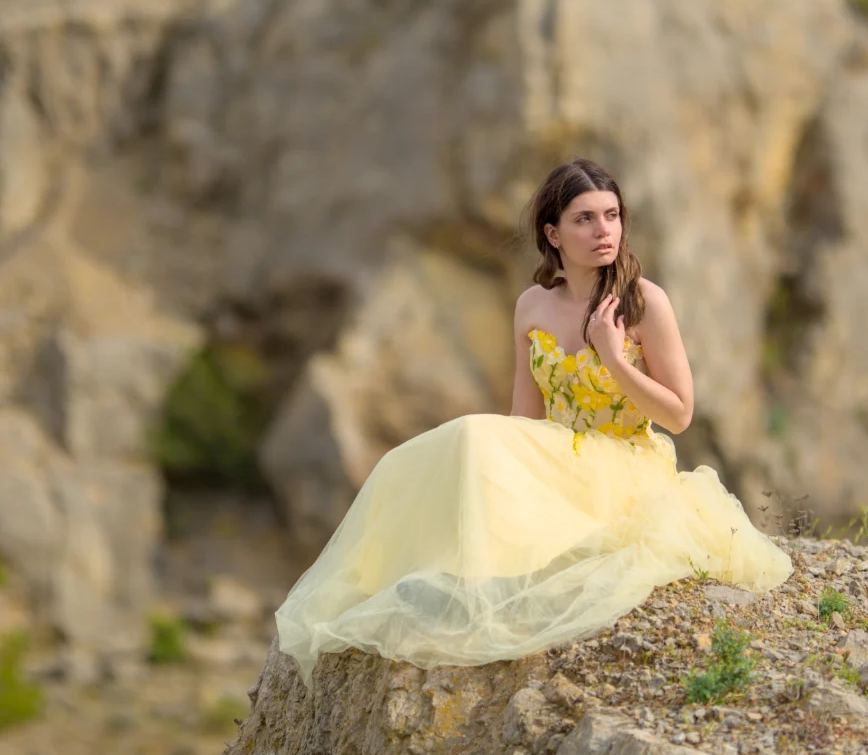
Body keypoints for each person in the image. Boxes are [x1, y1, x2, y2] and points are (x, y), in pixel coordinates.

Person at [274, 158, 793, 687]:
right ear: (553, 233)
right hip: (555, 455)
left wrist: (614, 359)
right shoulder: (532, 305)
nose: (604, 230)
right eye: (585, 219)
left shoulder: (643, 302)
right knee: (460, 443)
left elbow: (680, 415)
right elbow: (524, 417)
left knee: (474, 435)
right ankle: (446, 578)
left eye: (612, 215)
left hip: (623, 464)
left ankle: (479, 591)